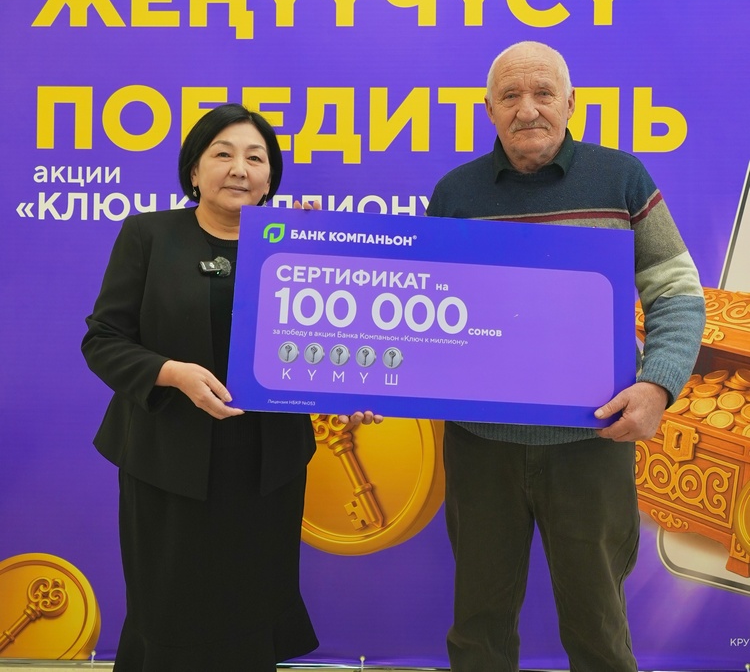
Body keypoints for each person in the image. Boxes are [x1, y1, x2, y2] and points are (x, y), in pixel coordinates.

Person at [426, 42, 706, 672]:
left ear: (571, 103)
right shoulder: (454, 194)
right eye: (510, 96)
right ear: (489, 110)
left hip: (592, 444)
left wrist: (658, 385)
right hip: (480, 447)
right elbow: (425, 311)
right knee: (477, 631)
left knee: (598, 630)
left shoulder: (621, 178)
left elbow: (677, 292)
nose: (527, 109)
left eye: (543, 93)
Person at [82, 103, 379, 672]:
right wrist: (173, 373)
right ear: (194, 170)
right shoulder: (148, 234)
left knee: (249, 612)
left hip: (265, 467)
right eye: (223, 153)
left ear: (270, 179)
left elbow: (328, 348)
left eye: (256, 158)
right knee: (167, 614)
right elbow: (104, 340)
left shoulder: (296, 246)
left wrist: (348, 397)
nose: (240, 168)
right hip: (165, 459)